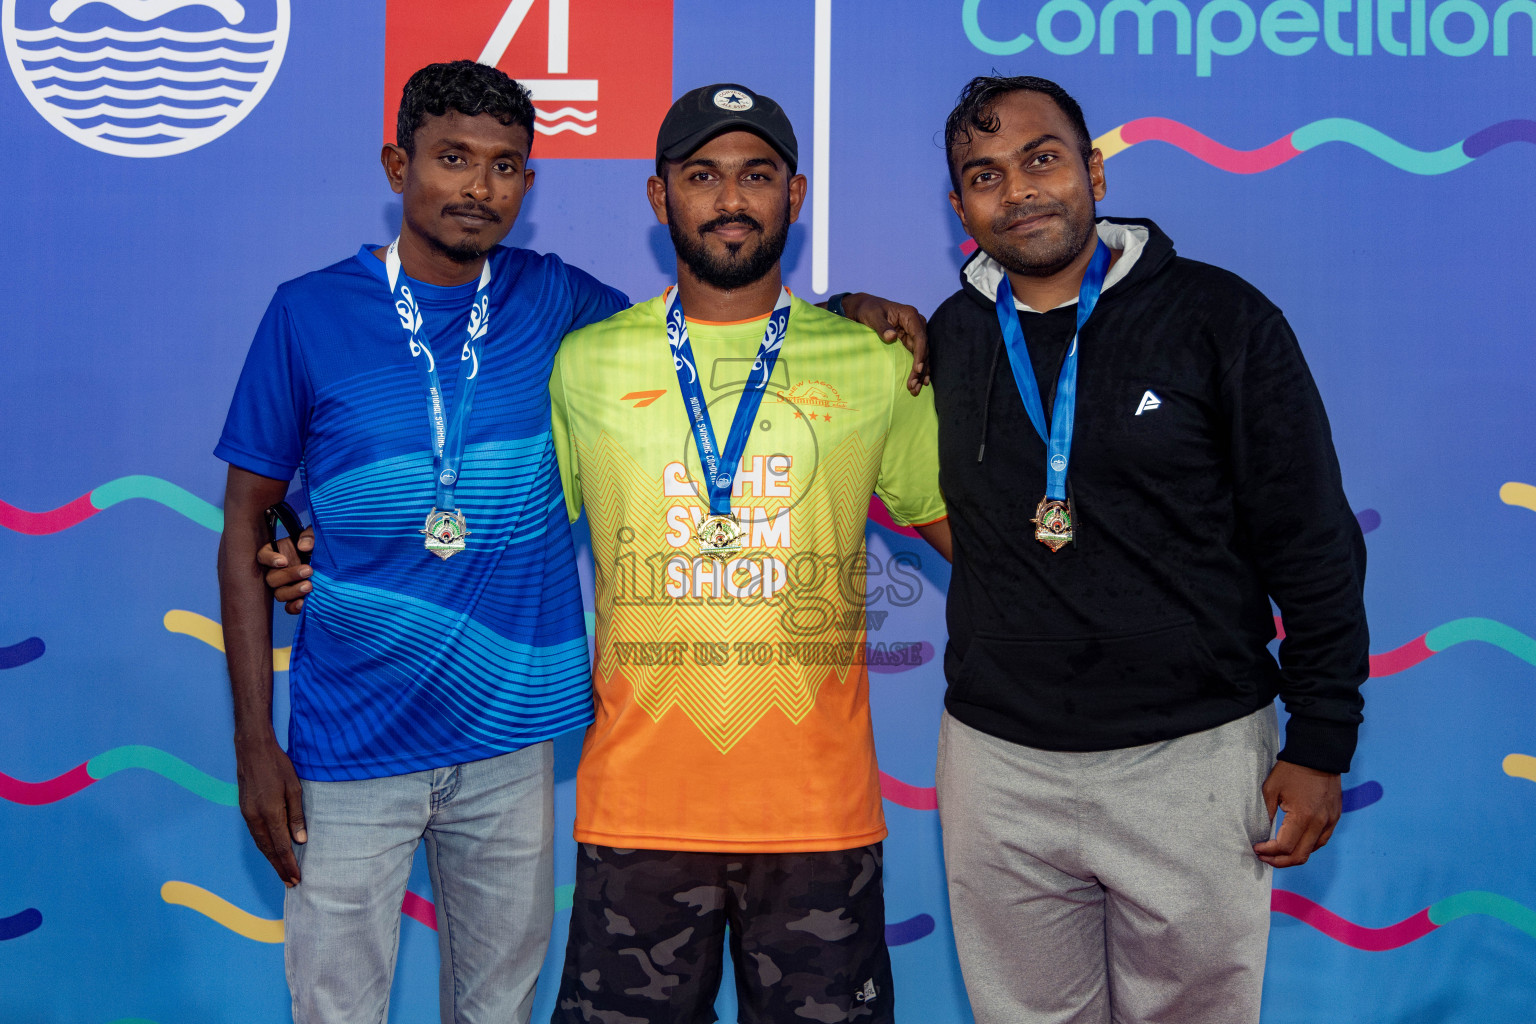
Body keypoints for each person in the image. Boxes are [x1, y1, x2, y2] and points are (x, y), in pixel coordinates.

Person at [227, 63, 926, 1024]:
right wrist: (260, 713)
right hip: (351, 739)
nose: (478, 186)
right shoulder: (313, 312)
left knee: (498, 1009)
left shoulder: (561, 308)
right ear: (399, 166)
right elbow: (252, 513)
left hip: (512, 742)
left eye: (505, 165)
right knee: (336, 1008)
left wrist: (851, 308)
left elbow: (727, 312)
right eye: (453, 159)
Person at [925, 75, 1369, 1024]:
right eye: (985, 174)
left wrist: (1323, 734)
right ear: (961, 206)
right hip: (999, 767)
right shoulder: (948, 340)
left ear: (1092, 169)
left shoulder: (1220, 318)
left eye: (1042, 159)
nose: (1021, 190)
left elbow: (1312, 537)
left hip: (1193, 758)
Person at [542, 83, 950, 1024]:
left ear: (794, 196)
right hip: (636, 815)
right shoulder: (587, 364)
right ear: (659, 198)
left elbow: (967, 537)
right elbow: (505, 539)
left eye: (756, 175)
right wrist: (337, 556)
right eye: (703, 176)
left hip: (818, 821)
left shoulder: (875, 358)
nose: (731, 199)